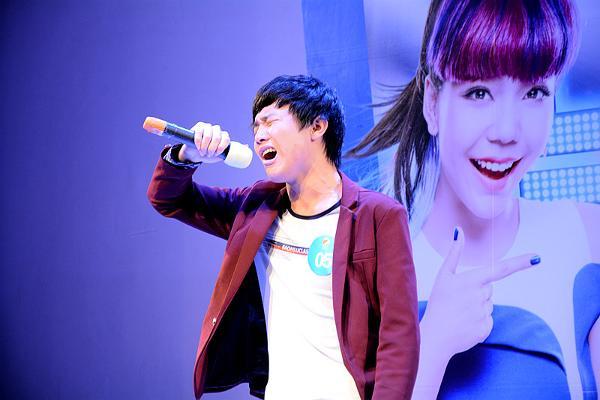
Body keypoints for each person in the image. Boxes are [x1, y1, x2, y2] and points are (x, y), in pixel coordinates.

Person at [348, 0, 599, 399]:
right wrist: (431, 346)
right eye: (479, 92)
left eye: (534, 92)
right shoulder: (371, 272)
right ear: (433, 103)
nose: (506, 131)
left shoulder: (586, 238)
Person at [147, 75, 420, 399]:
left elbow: (399, 334)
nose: (259, 135)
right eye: (255, 127)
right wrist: (186, 156)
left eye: (270, 121)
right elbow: (169, 199)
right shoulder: (256, 208)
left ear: (317, 126)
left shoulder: (378, 216)